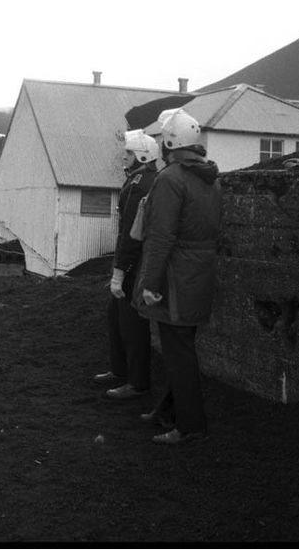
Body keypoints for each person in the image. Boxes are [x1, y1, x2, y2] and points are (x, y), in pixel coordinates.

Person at [132, 108, 222, 445]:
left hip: (176, 277)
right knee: (181, 347)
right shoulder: (211, 178)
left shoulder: (171, 179)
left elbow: (161, 237)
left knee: (179, 353)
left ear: (170, 143)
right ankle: (167, 411)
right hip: (198, 273)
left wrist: (149, 283)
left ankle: (190, 425)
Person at [94, 129, 159, 400]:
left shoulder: (137, 185)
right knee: (116, 315)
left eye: (129, 152)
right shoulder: (146, 180)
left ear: (142, 155)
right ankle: (121, 370)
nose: (125, 156)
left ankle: (137, 381)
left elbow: (130, 234)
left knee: (131, 324)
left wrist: (120, 270)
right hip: (137, 260)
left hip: (134, 263)